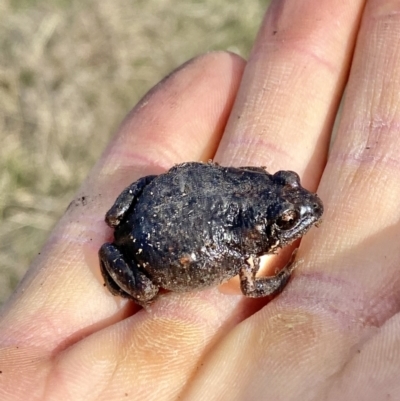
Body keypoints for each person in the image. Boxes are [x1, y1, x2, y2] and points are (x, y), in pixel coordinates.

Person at [1, 0, 398, 399]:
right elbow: (254, 289)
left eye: (288, 189)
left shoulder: (249, 187)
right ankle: (131, 280)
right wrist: (284, 275)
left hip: (147, 197)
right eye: (287, 218)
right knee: (148, 288)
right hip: (142, 257)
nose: (304, 209)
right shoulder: (247, 253)